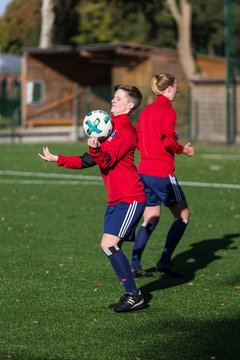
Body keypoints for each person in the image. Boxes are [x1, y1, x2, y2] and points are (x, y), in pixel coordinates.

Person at [39, 85, 147, 312]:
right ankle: (132, 294)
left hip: (131, 198)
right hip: (116, 199)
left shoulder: (126, 130)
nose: (113, 100)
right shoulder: (110, 126)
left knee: (109, 244)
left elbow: (105, 160)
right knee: (108, 246)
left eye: (118, 98)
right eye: (114, 97)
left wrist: (95, 149)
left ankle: (134, 295)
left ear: (130, 105)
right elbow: (89, 160)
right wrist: (58, 158)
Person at [131, 73, 194, 278]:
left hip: (144, 171)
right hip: (161, 173)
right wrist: (183, 150)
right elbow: (168, 141)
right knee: (183, 216)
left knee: (152, 217)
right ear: (169, 88)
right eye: (176, 87)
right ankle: (164, 262)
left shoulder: (146, 111)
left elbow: (139, 141)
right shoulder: (167, 110)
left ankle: (135, 263)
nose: (177, 90)